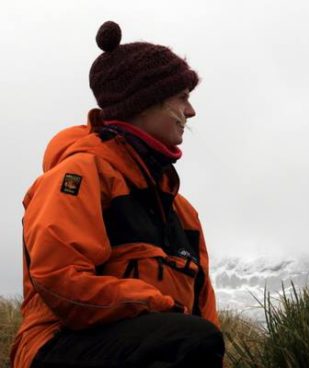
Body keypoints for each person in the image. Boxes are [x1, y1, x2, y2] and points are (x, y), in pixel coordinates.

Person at [10, 21, 224, 368]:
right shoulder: (80, 174)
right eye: (182, 98)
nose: (191, 112)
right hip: (56, 346)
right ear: (144, 103)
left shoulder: (184, 212)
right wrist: (156, 305)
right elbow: (61, 279)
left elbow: (205, 318)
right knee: (190, 338)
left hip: (154, 344)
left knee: (199, 339)